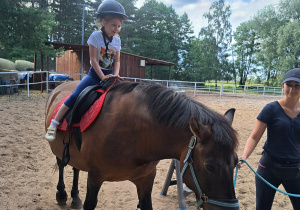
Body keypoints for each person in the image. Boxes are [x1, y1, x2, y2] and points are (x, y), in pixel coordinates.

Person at [45, 0, 127, 141]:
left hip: (111, 76)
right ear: (103, 22)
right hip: (95, 75)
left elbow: (117, 61)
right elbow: (94, 60)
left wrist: (116, 75)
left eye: (119, 26)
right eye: (114, 25)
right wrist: (102, 77)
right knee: (75, 96)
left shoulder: (117, 41)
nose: (116, 29)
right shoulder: (95, 37)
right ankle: (54, 123)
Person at [238, 68, 300, 210]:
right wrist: (244, 156)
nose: (292, 89)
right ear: (282, 86)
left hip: (295, 170)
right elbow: (254, 137)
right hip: (268, 169)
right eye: (289, 84)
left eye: (297, 85)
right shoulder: (271, 109)